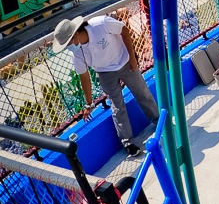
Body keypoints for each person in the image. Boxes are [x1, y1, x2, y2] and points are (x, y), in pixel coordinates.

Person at [53, 15, 159, 156]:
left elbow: (124, 31)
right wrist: (88, 104)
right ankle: (128, 142)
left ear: (75, 34)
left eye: (68, 43)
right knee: (117, 106)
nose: (69, 47)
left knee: (142, 93)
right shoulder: (77, 54)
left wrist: (132, 57)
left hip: (125, 62)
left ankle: (158, 120)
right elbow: (85, 77)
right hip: (104, 73)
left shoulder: (101, 24)